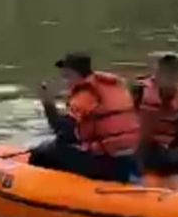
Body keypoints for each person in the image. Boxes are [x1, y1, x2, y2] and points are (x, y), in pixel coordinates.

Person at [28, 52, 141, 183]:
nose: (65, 82)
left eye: (66, 77)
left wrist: (47, 103)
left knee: (43, 153)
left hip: (109, 164)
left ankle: (43, 192)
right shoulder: (113, 86)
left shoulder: (85, 94)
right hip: (131, 158)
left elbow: (64, 133)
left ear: (73, 74)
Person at [131, 53, 178, 183]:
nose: (169, 81)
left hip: (162, 151)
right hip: (138, 148)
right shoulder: (140, 92)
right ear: (158, 74)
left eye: (173, 76)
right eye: (165, 75)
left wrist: (177, 157)